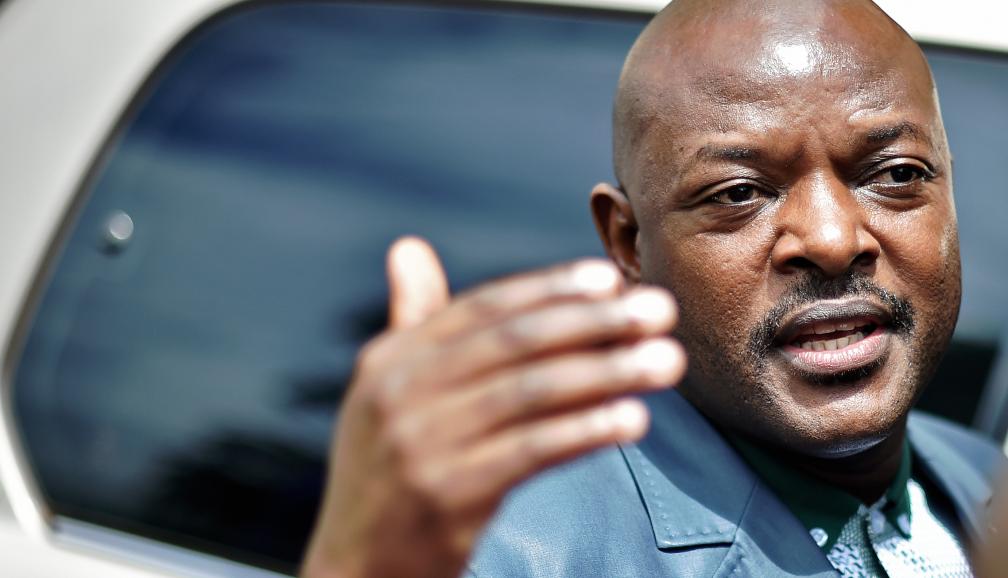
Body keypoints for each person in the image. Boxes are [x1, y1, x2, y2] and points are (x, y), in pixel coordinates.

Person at [300, 0, 1007, 576]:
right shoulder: (513, 551)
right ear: (628, 244)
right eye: (738, 192)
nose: (830, 238)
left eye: (898, 176)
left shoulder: (981, 487)